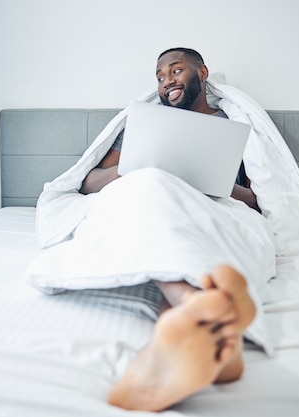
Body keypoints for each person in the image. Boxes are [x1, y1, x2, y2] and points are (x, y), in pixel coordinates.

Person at [80, 48, 262, 411]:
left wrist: (212, 178)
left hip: (212, 205)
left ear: (202, 72)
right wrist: (142, 162)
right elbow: (88, 182)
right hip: (150, 192)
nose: (167, 82)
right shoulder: (145, 124)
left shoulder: (234, 124)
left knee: (173, 231)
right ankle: (200, 316)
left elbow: (259, 200)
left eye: (175, 71)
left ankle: (181, 329)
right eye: (160, 77)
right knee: (154, 206)